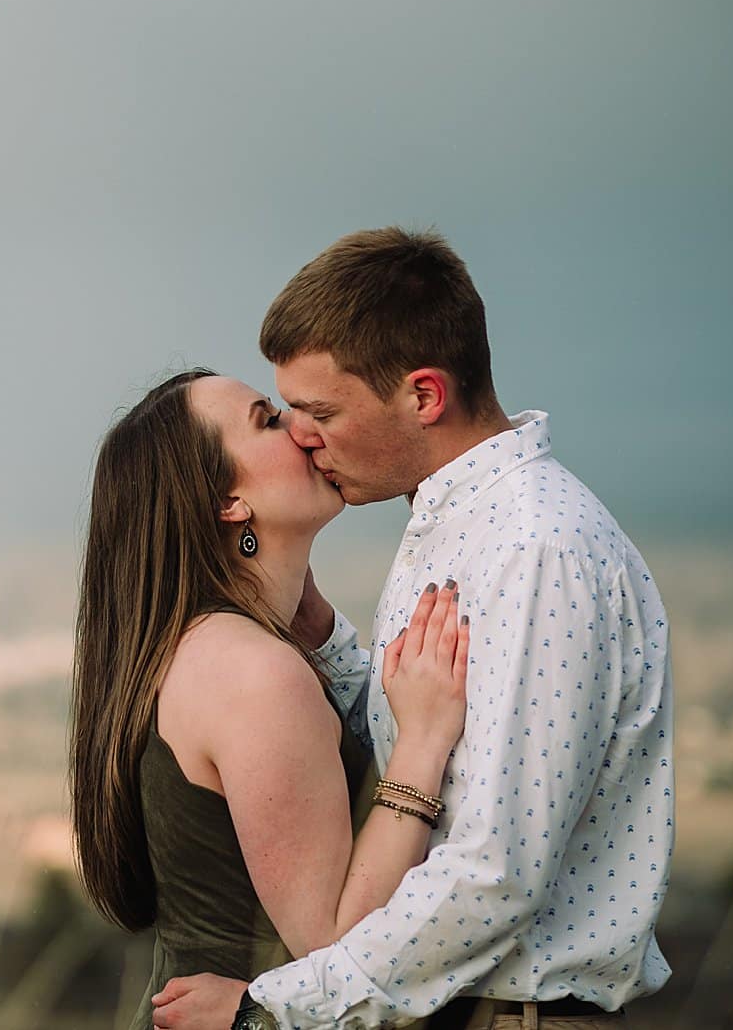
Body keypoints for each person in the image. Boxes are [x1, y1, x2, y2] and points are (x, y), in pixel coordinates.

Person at [149, 229, 674, 1030]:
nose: (301, 434)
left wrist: (271, 1011)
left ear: (424, 395)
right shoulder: (454, 524)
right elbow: (434, 743)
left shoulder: (536, 549)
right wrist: (328, 642)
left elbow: (495, 871)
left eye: (320, 410)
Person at [71, 366, 473, 1030]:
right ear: (228, 501)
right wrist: (424, 745)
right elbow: (337, 942)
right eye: (268, 418)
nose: (304, 428)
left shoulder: (216, 648)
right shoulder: (252, 671)